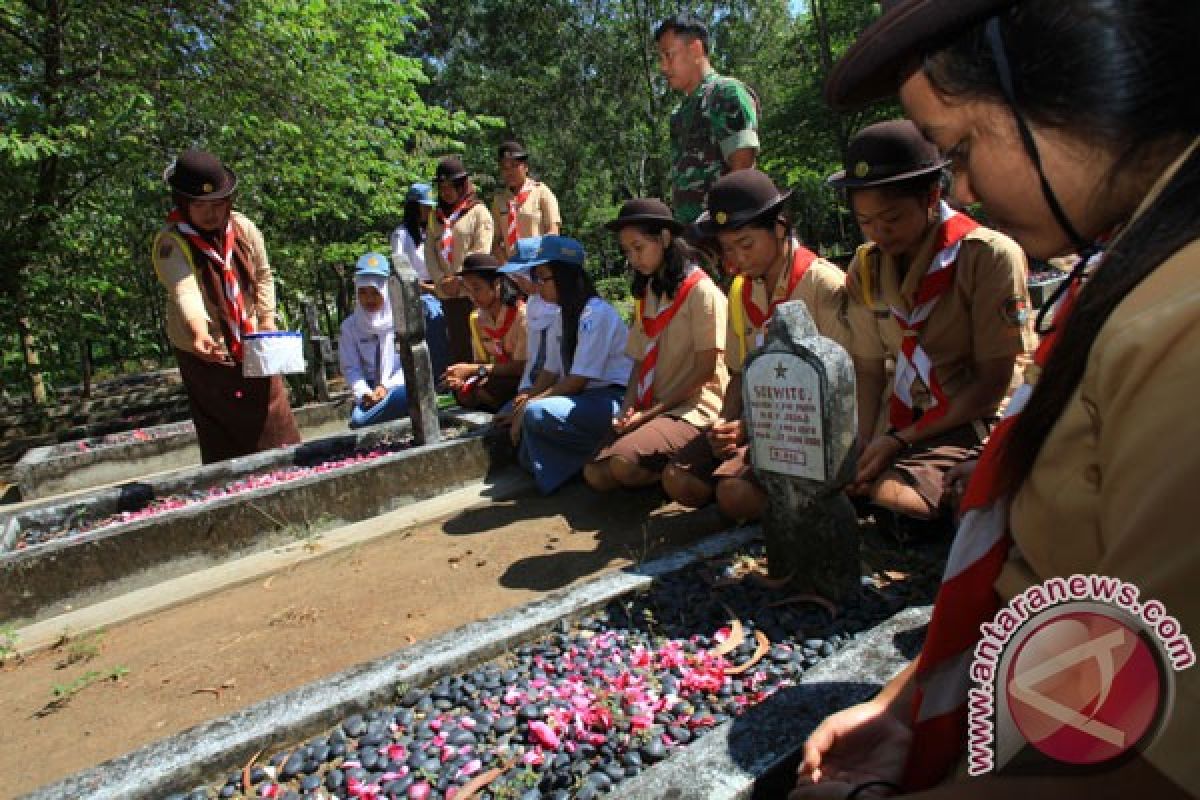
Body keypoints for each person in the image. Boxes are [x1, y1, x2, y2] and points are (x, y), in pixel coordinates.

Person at [792, 1, 1200, 798]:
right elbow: (1069, 582)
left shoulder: (1177, 322)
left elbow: (1151, 744)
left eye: (963, 149)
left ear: (1071, 93)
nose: (968, 188)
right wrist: (909, 702)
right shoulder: (1133, 270)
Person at [830, 119, 1035, 529]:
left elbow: (993, 381)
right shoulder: (867, 266)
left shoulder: (987, 256)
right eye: (866, 221)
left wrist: (900, 441)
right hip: (900, 423)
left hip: (968, 418)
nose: (879, 233)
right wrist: (865, 440)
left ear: (932, 196)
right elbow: (869, 369)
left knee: (893, 499)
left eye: (891, 218)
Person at [662, 169, 850, 521]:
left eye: (745, 244)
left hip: (808, 424)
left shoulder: (822, 283)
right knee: (678, 479)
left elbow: (841, 386)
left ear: (779, 228)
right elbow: (739, 371)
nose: (735, 260)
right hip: (758, 417)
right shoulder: (741, 289)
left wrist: (752, 426)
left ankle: (813, 509)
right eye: (727, 249)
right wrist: (726, 421)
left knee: (733, 494)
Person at [151, 148, 301, 464]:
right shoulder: (171, 242)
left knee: (275, 419)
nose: (211, 213)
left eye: (218, 204)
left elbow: (263, 275)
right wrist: (198, 331)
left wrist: (267, 321)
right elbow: (185, 290)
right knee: (224, 438)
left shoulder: (243, 228)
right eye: (200, 205)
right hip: (208, 351)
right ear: (183, 203)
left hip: (254, 342)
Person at [584, 198, 728, 493]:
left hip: (692, 407)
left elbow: (705, 371)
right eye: (627, 251)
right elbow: (639, 360)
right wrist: (627, 409)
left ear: (664, 238)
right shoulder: (648, 292)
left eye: (638, 248)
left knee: (623, 464)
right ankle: (654, 462)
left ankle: (675, 468)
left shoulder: (700, 292)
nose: (633, 259)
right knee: (594, 474)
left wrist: (647, 416)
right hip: (652, 406)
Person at [498, 236, 632, 494]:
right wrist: (525, 398)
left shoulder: (596, 314)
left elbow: (577, 380)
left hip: (610, 397)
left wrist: (529, 406)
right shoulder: (562, 314)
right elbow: (550, 371)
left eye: (543, 278)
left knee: (536, 414)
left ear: (564, 277)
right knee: (514, 417)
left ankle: (592, 455)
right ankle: (569, 463)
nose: (538, 286)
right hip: (579, 398)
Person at [655, 15, 760, 227]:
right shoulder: (678, 115)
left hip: (727, 232)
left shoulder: (724, 93)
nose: (663, 67)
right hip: (694, 238)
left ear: (695, 49)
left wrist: (727, 232)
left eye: (668, 56)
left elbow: (743, 171)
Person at [426, 157, 494, 365]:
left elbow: (481, 249)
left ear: (462, 185)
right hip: (447, 293)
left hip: (472, 291)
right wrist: (441, 280)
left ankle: (482, 387)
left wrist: (460, 279)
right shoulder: (435, 217)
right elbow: (430, 252)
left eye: (451, 186)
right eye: (442, 187)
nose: (446, 192)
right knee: (457, 344)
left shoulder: (477, 212)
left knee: (479, 342)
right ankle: (462, 391)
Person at [441, 254, 527, 411]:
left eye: (477, 288)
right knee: (461, 391)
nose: (472, 296)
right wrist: (465, 378)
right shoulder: (477, 318)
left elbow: (521, 367)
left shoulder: (521, 315)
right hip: (495, 376)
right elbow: (481, 362)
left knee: (490, 390)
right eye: (467, 290)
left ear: (497, 284)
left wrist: (472, 370)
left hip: (523, 379)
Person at [338, 253, 408, 429]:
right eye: (363, 292)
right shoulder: (350, 327)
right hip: (369, 388)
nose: (369, 299)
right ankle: (377, 409)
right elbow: (351, 368)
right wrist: (364, 393)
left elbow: (408, 363)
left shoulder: (401, 320)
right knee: (359, 420)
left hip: (399, 384)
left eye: (375, 293)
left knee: (409, 394)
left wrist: (386, 386)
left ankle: (389, 409)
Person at [390, 182, 449, 377]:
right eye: (425, 206)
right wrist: (428, 289)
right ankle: (438, 375)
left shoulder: (432, 232)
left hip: (442, 287)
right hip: (419, 294)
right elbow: (401, 272)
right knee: (433, 316)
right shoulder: (401, 235)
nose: (429, 210)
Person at [489, 141, 562, 263]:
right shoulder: (499, 201)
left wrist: (537, 260)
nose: (509, 172)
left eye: (514, 165)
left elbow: (553, 231)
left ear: (525, 167)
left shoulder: (541, 192)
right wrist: (507, 266)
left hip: (540, 265)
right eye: (504, 168)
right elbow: (494, 241)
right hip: (511, 268)